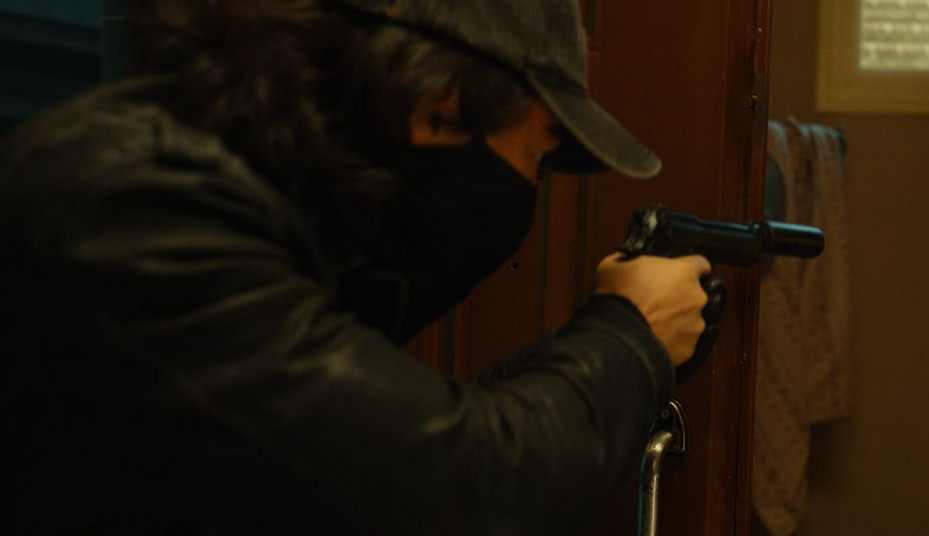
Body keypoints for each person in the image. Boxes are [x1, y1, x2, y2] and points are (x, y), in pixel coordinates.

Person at [0, 0, 711, 534]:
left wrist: (589, 354)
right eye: (536, 155)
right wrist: (630, 333)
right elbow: (454, 489)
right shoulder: (142, 206)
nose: (532, 185)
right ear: (437, 111)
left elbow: (367, 439)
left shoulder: (249, 192)